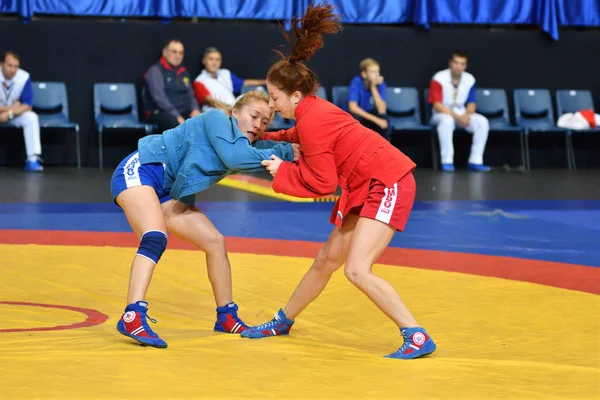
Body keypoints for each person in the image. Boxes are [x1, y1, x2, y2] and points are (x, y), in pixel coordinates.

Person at [239, 3, 436, 360]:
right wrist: (266, 138)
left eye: (275, 98)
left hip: (387, 181)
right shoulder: (313, 110)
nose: (271, 105)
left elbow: (323, 184)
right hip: (368, 184)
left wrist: (281, 172)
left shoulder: (312, 119)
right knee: (325, 260)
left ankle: (417, 335)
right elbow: (296, 133)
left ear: (295, 96)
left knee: (357, 269)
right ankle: (283, 320)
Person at [110, 90, 299, 348]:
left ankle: (226, 316)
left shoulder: (243, 143)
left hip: (169, 190)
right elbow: (236, 157)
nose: (258, 125)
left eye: (265, 122)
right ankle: (132, 315)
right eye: (254, 116)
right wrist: (287, 153)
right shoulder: (216, 119)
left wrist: (295, 149)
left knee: (215, 242)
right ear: (235, 112)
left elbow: (263, 149)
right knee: (154, 236)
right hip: (142, 168)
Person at [428, 50, 490, 172]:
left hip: (461, 113)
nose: (458, 66)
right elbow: (437, 105)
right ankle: (447, 161)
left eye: (462, 64)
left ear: (465, 66)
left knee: (482, 122)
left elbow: (472, 103)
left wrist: (466, 116)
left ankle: (475, 161)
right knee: (447, 121)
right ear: (450, 63)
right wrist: (458, 117)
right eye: (456, 63)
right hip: (441, 114)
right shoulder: (438, 78)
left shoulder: (470, 79)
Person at [142, 40, 201, 131]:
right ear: (165, 52)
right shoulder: (155, 71)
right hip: (160, 112)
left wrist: (195, 109)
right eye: (174, 52)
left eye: (181, 53)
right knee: (175, 124)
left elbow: (191, 94)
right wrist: (177, 116)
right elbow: (159, 98)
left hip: (183, 111)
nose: (177, 56)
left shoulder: (183, 72)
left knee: (204, 120)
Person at [0, 51, 43, 172]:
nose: (13, 70)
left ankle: (32, 160)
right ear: (1, 64)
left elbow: (27, 105)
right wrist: (11, 107)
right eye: (10, 66)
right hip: (9, 110)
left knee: (31, 117)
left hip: (13, 114)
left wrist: (10, 113)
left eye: (16, 66)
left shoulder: (24, 77)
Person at [347, 58, 389, 140]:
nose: (377, 75)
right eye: (373, 72)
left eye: (378, 72)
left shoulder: (381, 84)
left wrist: (373, 87)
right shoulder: (356, 82)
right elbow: (353, 107)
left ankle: (384, 150)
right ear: (364, 74)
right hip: (358, 115)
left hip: (370, 114)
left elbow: (382, 110)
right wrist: (376, 120)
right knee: (355, 118)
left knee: (384, 119)